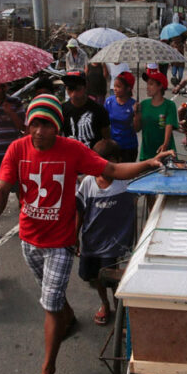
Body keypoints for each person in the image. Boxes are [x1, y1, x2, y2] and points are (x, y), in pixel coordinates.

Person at [0, 95, 171, 374]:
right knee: (51, 296)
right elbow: (1, 188)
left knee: (50, 303)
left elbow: (113, 170)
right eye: (35, 123)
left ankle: (48, 370)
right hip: (29, 240)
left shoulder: (73, 150)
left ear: (58, 127)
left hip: (61, 241)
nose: (40, 131)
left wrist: (149, 163)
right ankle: (67, 315)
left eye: (47, 124)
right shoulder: (17, 149)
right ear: (28, 124)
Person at [76, 139, 137, 327]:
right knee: (97, 277)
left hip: (118, 245)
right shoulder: (88, 183)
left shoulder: (127, 182)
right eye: (99, 162)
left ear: (118, 161)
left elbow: (149, 192)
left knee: (117, 279)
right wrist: (74, 237)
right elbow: (79, 211)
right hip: (92, 243)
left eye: (109, 162)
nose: (104, 167)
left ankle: (121, 309)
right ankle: (105, 303)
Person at [60, 70, 110, 149]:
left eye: (78, 89)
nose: (74, 94)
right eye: (70, 89)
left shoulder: (99, 110)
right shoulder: (62, 110)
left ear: (86, 87)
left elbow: (107, 138)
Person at [135, 71, 177, 160]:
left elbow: (168, 126)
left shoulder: (169, 105)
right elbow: (137, 129)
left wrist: (165, 145)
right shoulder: (143, 105)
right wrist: (136, 113)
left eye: (151, 84)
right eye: (147, 84)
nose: (147, 87)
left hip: (165, 152)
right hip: (146, 154)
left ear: (160, 86)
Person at [104, 72, 139, 162]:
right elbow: (104, 123)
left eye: (118, 87)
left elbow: (137, 129)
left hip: (129, 147)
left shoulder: (133, 104)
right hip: (113, 146)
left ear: (128, 89)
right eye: (114, 86)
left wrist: (137, 113)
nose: (115, 89)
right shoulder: (109, 102)